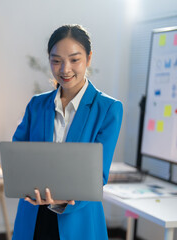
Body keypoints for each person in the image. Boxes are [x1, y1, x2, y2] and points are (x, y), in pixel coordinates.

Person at [11, 24, 123, 240]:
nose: (65, 69)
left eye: (74, 59)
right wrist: (26, 186)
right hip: (33, 216)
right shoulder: (37, 104)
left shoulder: (107, 108)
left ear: (89, 59)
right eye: (56, 60)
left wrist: (63, 200)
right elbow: (17, 155)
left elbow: (97, 175)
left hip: (77, 219)